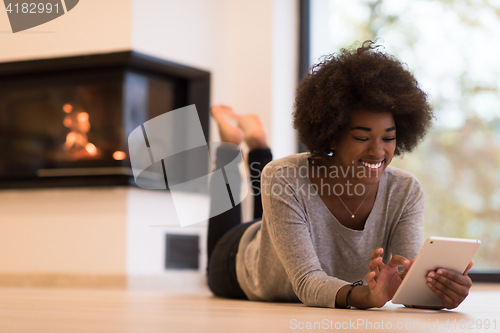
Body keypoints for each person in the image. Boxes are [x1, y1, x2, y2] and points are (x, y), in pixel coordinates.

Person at [206, 40, 474, 310]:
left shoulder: (405, 191)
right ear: (332, 136)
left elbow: (405, 276)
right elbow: (307, 282)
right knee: (238, 216)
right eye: (361, 137)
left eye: (388, 138)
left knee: (266, 213)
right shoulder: (285, 177)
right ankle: (232, 146)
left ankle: (256, 142)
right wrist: (364, 297)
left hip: (276, 231)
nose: (377, 151)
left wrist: (436, 290)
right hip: (237, 260)